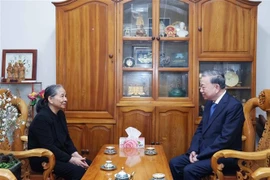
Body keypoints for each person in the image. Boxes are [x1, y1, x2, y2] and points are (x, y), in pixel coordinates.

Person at [169, 70, 244, 179]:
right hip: (204, 152)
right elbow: (200, 130)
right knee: (175, 163)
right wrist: (193, 150)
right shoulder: (210, 102)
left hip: (223, 155)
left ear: (216, 87)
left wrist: (200, 156)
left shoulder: (234, 107)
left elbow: (225, 139)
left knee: (190, 170)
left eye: (203, 87)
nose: (200, 90)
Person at [28, 84, 91, 180]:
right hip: (44, 158)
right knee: (78, 171)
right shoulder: (41, 118)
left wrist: (76, 155)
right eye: (62, 96)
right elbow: (48, 146)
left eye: (65, 96)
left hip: (59, 155)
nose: (65, 99)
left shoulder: (60, 114)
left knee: (90, 164)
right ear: (50, 99)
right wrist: (71, 160)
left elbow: (67, 139)